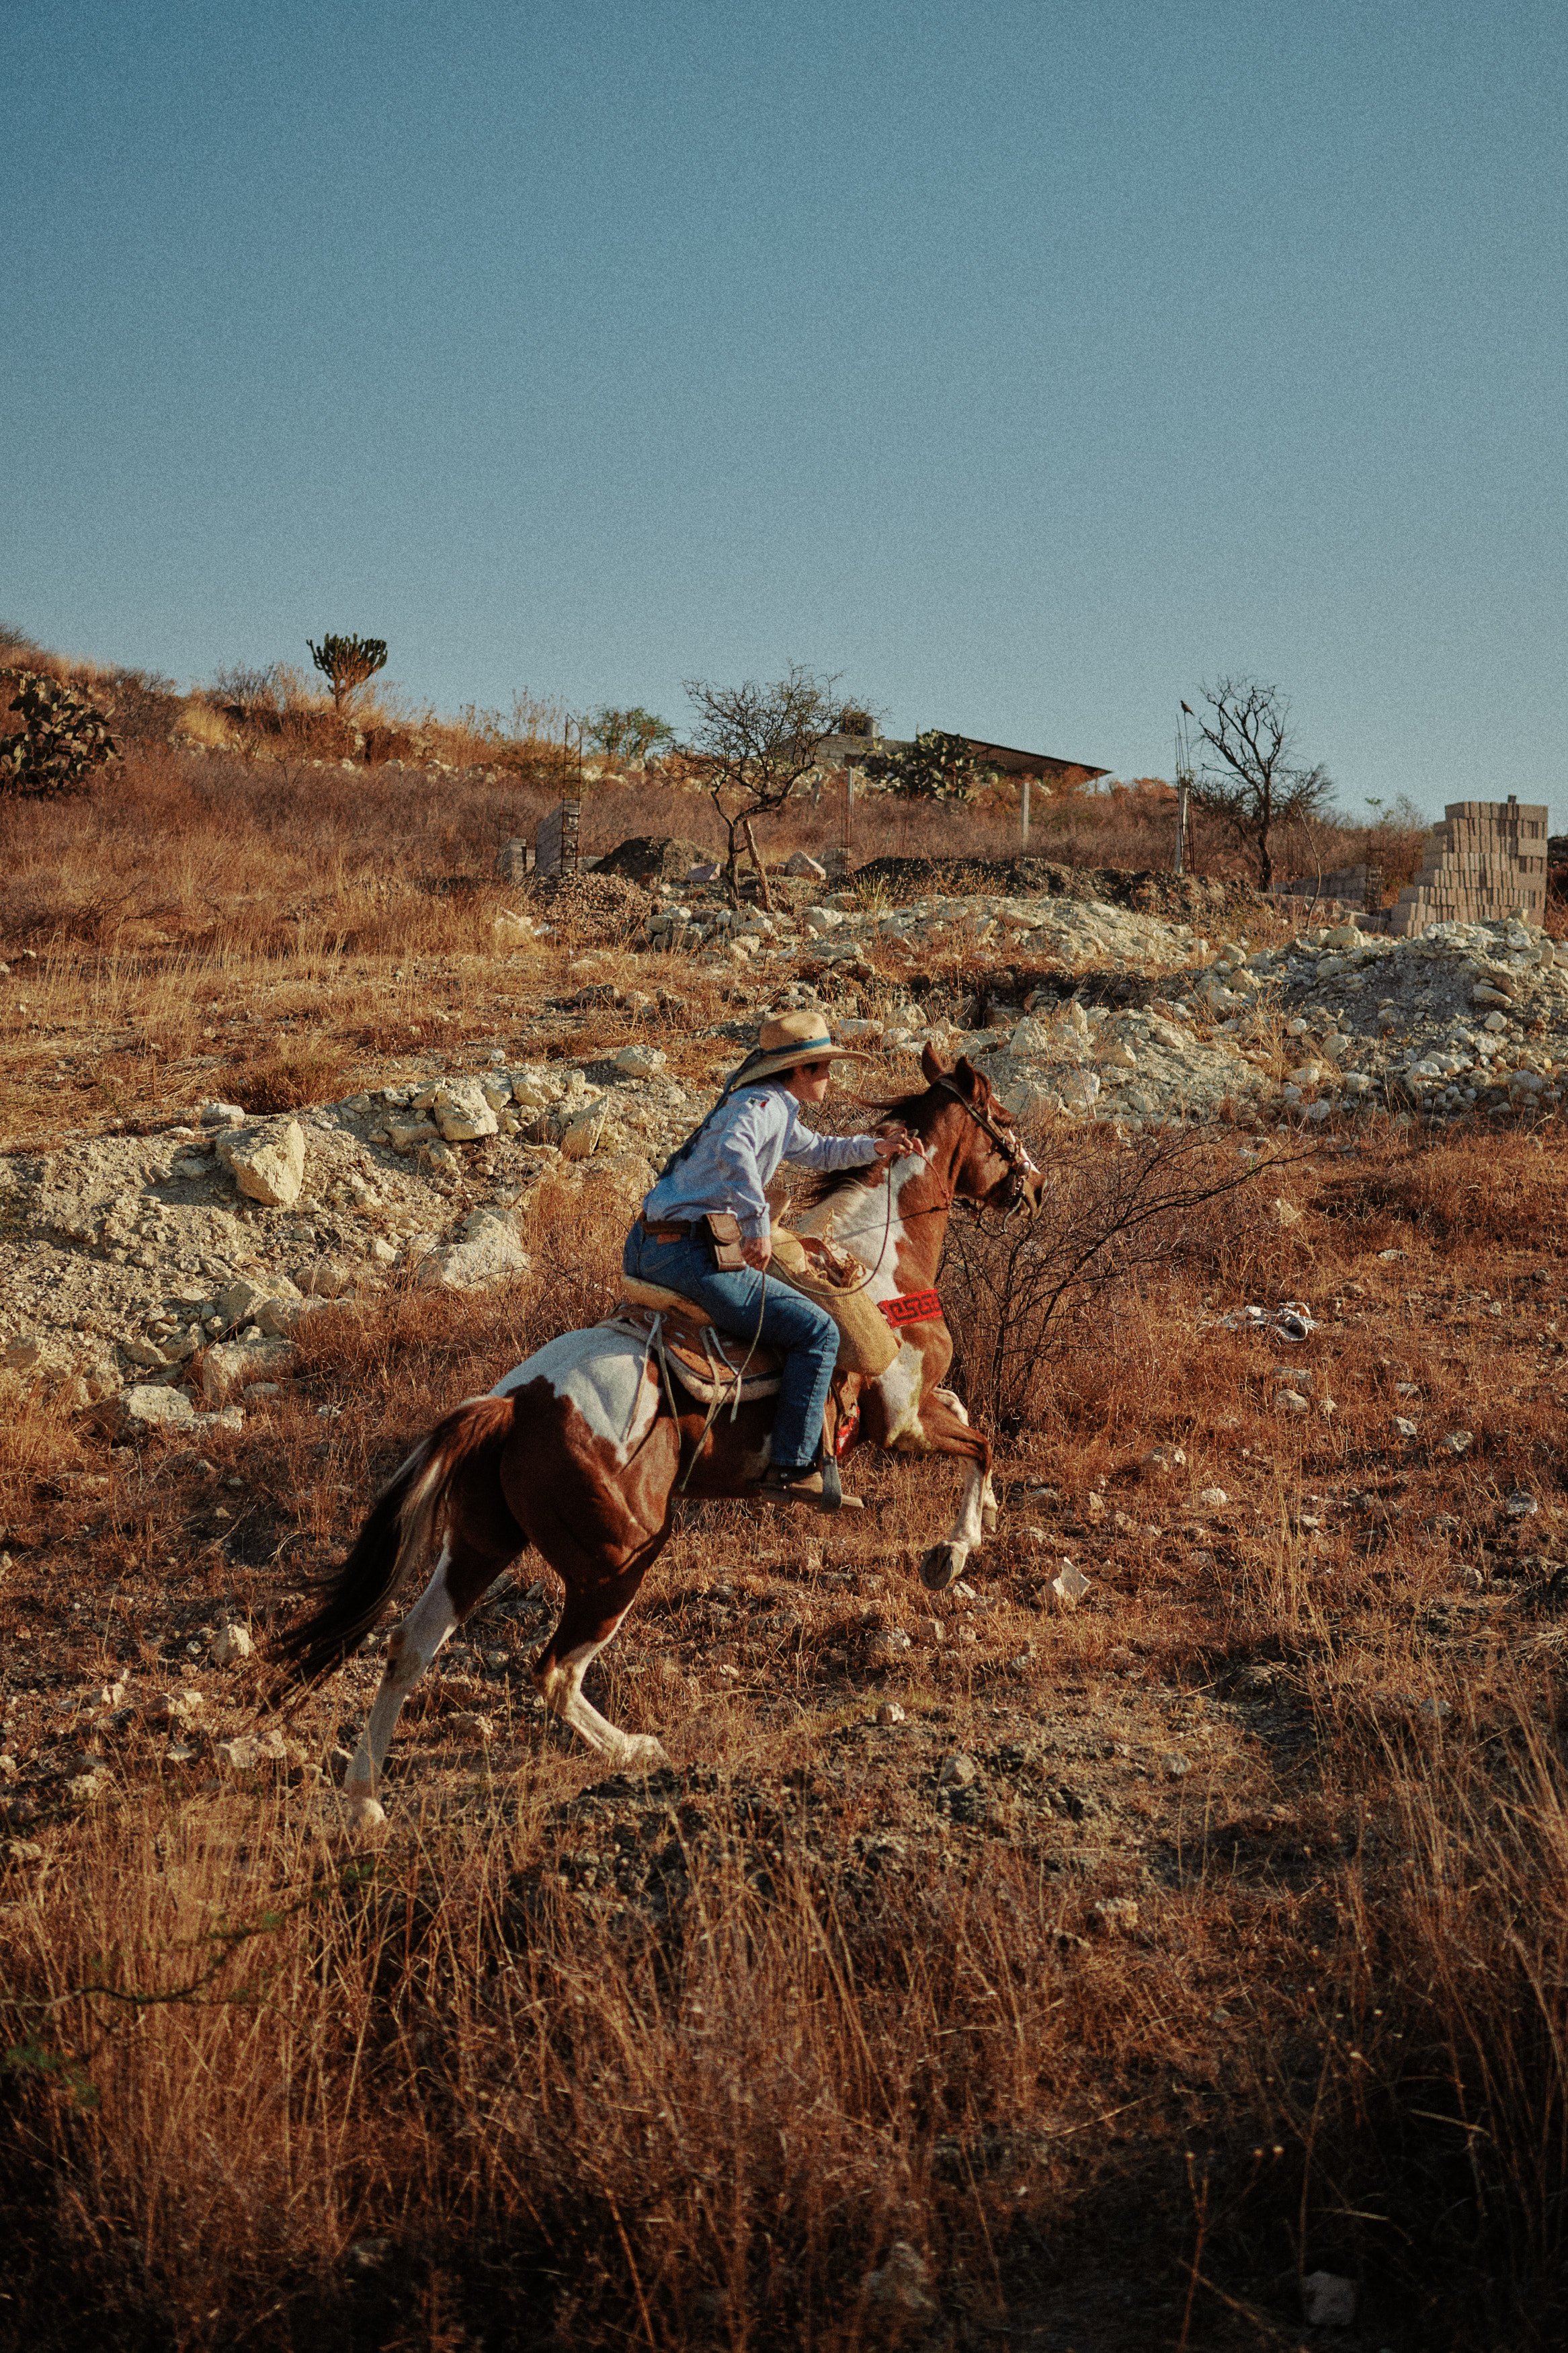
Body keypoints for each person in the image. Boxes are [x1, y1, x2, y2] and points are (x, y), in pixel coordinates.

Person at [624, 1008, 921, 1507]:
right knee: (817, 1331)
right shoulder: (759, 1105)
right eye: (824, 1068)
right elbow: (736, 1153)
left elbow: (822, 1152)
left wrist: (877, 1147)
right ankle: (792, 1467)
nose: (829, 1078)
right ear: (800, 1071)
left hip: (660, 1244)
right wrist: (756, 1224)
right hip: (686, 1254)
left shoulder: (776, 1108)